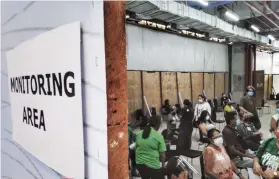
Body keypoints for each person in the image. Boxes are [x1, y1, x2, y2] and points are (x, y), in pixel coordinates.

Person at [222, 111, 261, 179]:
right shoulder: (227, 131)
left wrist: (246, 152)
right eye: (236, 118)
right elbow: (233, 150)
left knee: (259, 157)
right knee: (258, 163)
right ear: (231, 120)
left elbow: (239, 143)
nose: (237, 119)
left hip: (242, 154)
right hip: (236, 160)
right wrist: (247, 155)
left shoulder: (234, 129)